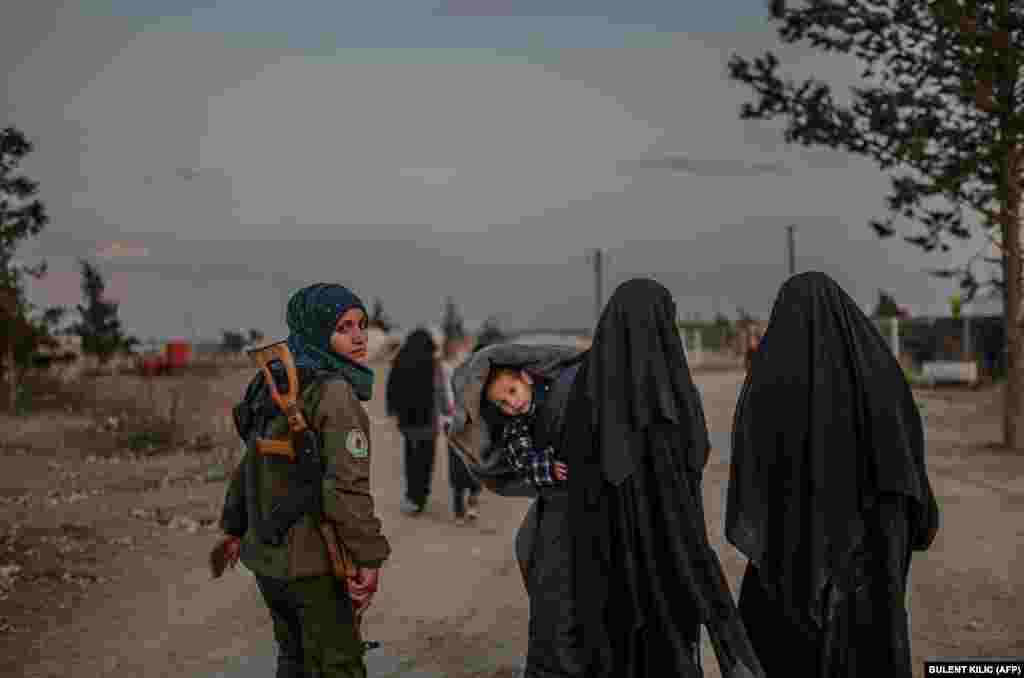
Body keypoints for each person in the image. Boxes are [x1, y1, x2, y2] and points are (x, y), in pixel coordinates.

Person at [727, 271, 940, 678]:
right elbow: (907, 463)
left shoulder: (769, 382)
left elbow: (753, 481)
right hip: (873, 560)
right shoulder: (881, 373)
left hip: (789, 558)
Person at [562, 278, 765, 678]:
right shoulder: (672, 386)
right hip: (673, 545)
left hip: (604, 556)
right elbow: (697, 449)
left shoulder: (587, 385)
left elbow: (575, 461)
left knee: (616, 649)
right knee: (669, 642)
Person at [216, 283, 391, 678]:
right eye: (343, 327)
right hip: (313, 562)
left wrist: (233, 527)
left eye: (361, 324)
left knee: (294, 660)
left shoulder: (274, 379)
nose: (359, 336)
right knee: (338, 666)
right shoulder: (331, 391)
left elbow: (250, 463)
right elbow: (346, 489)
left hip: (267, 558)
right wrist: (369, 556)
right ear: (316, 329)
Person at [448, 342, 584, 677]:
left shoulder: (563, 386)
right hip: (559, 500)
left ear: (528, 376)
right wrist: (548, 468)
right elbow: (522, 461)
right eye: (503, 402)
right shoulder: (516, 428)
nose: (513, 403)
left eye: (513, 391)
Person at [385, 328, 446, 515]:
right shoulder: (433, 363)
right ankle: (421, 498)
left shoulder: (399, 360)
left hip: (407, 422)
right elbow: (440, 390)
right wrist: (446, 412)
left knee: (411, 459)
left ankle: (412, 496)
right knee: (426, 461)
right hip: (428, 421)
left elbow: (392, 388)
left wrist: (392, 411)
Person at [440, 338, 482, 523]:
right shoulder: (445, 371)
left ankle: (468, 504)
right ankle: (463, 506)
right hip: (458, 423)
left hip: (466, 422)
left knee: (467, 461)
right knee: (463, 462)